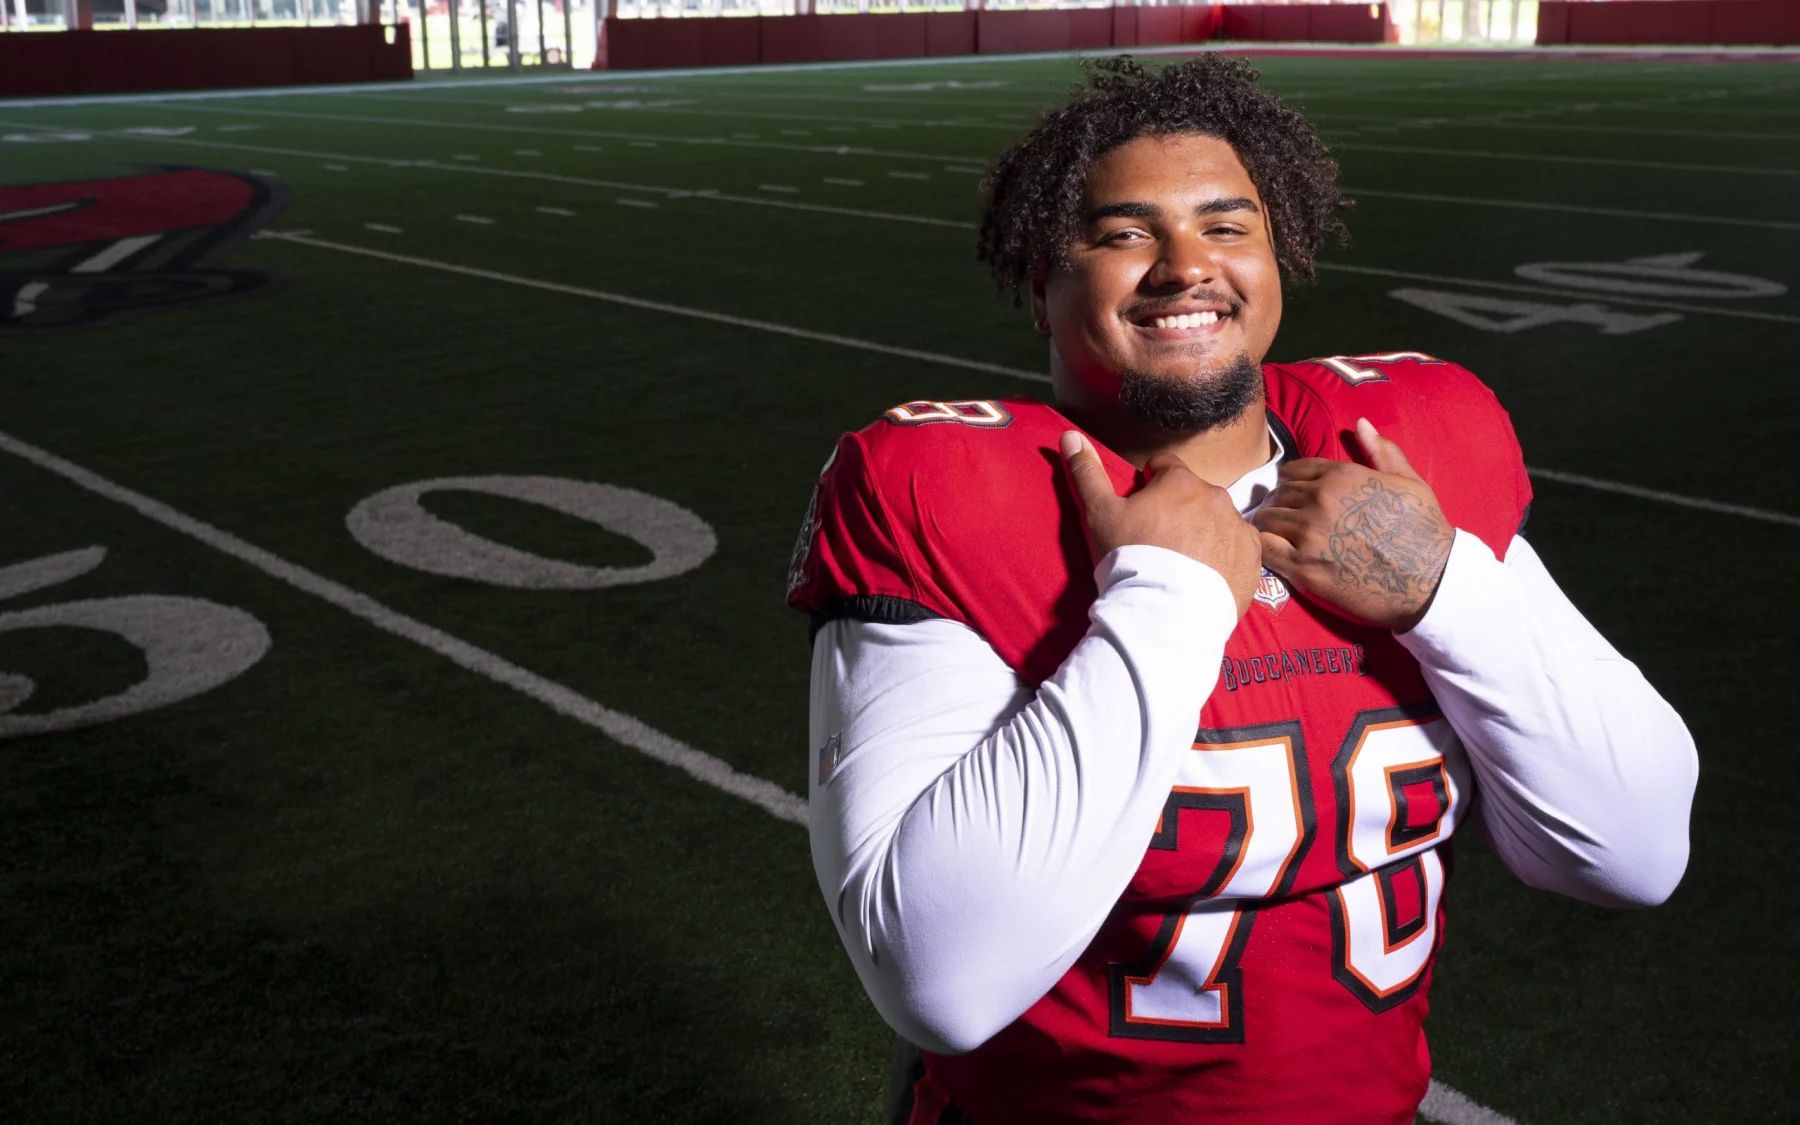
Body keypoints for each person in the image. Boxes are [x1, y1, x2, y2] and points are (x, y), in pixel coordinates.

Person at [785, 55, 1697, 1124]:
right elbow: (938, 979)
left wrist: (1446, 588)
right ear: (1042, 285)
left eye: (1227, 227)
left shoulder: (1405, 455)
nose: (1184, 268)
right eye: (1125, 234)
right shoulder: (953, 493)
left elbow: (1634, 853)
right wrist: (1164, 598)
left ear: (1279, 257)